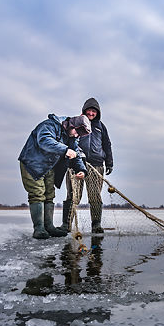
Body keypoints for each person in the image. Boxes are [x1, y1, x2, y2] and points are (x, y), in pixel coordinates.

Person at [18, 113, 92, 239]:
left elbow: (75, 153)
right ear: (71, 125)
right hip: (33, 163)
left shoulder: (72, 136)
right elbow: (44, 141)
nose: (76, 136)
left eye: (79, 134)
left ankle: (49, 226)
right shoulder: (49, 125)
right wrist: (65, 150)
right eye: (77, 132)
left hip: (49, 166)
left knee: (49, 195)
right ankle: (39, 228)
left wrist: (81, 169)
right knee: (37, 193)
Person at [61, 98, 113, 234]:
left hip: (96, 165)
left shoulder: (101, 127)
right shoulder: (76, 123)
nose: (91, 113)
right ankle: (66, 225)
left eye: (94, 111)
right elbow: (67, 139)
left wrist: (109, 163)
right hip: (76, 164)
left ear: (98, 113)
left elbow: (107, 144)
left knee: (95, 196)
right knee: (73, 196)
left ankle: (96, 224)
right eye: (89, 110)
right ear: (84, 111)